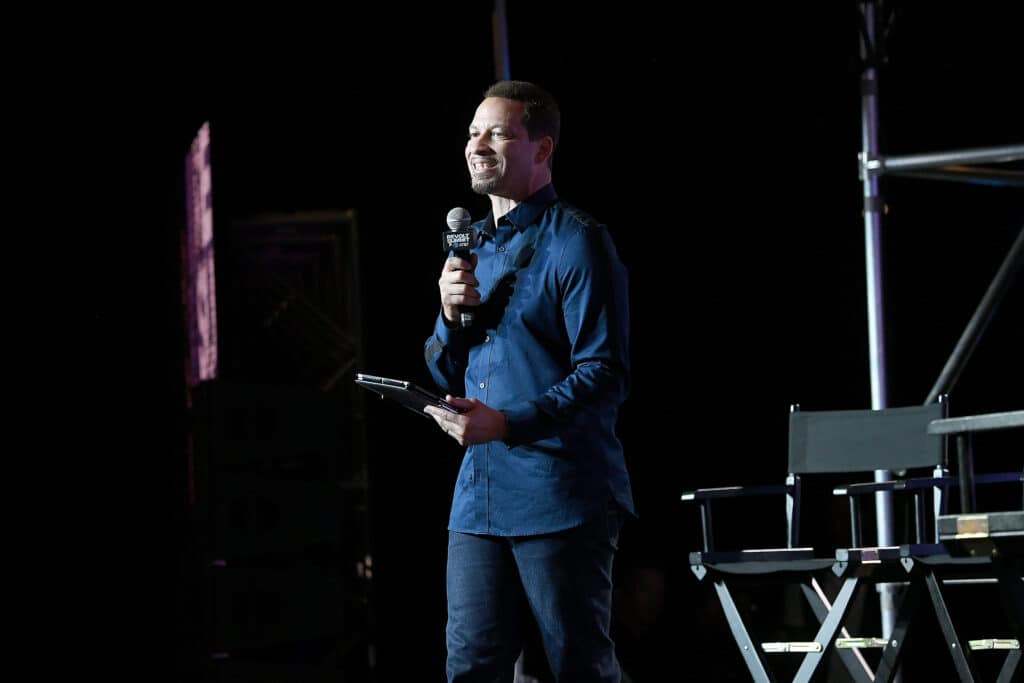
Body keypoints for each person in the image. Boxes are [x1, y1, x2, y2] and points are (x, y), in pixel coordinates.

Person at [423, 79, 634, 682]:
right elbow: (443, 368)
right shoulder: (475, 249)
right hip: (480, 498)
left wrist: (509, 422)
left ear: (541, 150)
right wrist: (447, 313)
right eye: (472, 133)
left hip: (560, 493)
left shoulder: (578, 242)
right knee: (471, 665)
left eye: (498, 133)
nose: (477, 145)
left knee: (571, 668)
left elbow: (605, 371)